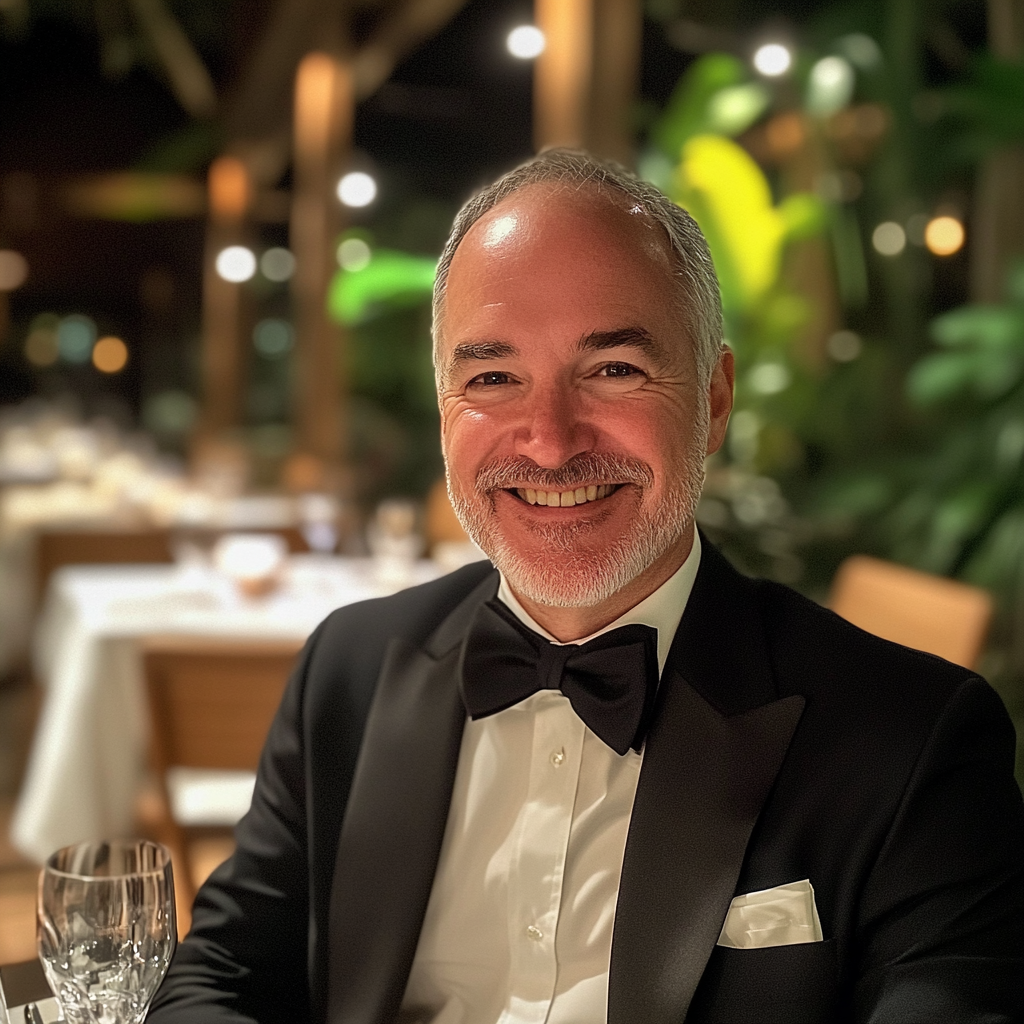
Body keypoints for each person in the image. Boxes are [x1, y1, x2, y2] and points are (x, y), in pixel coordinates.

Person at [149, 150, 1023, 1024]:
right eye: (493, 378)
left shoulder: (913, 740)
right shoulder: (351, 666)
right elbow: (221, 973)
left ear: (714, 401)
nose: (551, 443)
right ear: (444, 404)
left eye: (613, 371)